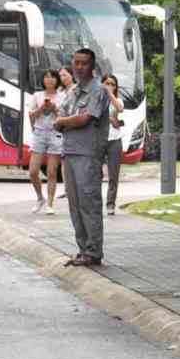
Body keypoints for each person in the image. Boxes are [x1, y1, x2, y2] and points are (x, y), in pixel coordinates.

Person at [54, 48, 111, 267]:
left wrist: (65, 121)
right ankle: (83, 250)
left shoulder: (99, 91)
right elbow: (60, 116)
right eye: (76, 62)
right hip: (69, 152)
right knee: (75, 205)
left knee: (89, 204)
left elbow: (85, 119)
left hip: (88, 154)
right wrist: (67, 120)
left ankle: (94, 251)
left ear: (92, 66)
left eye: (84, 63)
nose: (79, 67)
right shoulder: (73, 91)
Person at [29, 69, 63, 215]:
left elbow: (64, 116)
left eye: (52, 77)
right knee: (33, 171)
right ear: (43, 80)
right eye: (46, 77)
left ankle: (50, 203)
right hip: (40, 133)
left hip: (55, 133)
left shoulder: (62, 96)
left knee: (51, 172)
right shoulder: (37, 96)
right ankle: (39, 198)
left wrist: (55, 109)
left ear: (56, 80)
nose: (49, 80)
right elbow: (31, 115)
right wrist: (41, 108)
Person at [103, 73, 126, 214]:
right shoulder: (96, 99)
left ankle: (110, 204)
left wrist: (109, 94)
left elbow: (120, 108)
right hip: (98, 140)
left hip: (114, 141)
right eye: (107, 83)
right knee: (93, 173)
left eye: (112, 84)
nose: (110, 86)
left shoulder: (118, 100)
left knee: (113, 175)